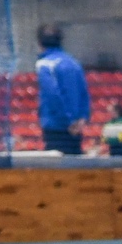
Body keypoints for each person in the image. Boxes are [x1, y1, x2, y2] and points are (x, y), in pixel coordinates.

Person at [35, 25, 90, 155]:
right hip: (76, 128)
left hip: (57, 127)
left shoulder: (44, 64)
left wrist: (68, 121)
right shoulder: (73, 63)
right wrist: (82, 118)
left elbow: (52, 95)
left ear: (40, 43)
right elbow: (84, 93)